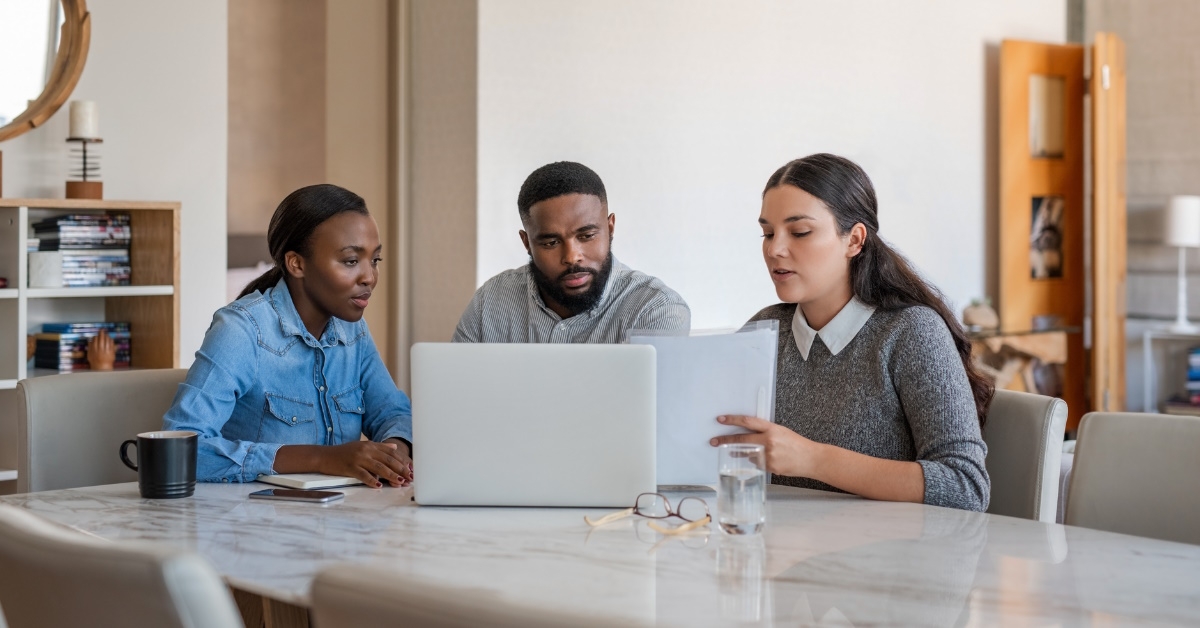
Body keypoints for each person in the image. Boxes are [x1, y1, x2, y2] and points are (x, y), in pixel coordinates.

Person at [712, 154, 991, 511]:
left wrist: (813, 459)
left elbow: (965, 488)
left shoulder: (911, 333)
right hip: (782, 552)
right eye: (767, 233)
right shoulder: (763, 331)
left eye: (799, 232)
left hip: (888, 560)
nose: (774, 249)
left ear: (854, 240)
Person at [163, 184, 413, 488]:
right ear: (297, 263)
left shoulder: (353, 331)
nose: (369, 277)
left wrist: (394, 452)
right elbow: (180, 449)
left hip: (342, 522)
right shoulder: (241, 331)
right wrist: (322, 459)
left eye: (374, 260)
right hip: (249, 525)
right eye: (350, 261)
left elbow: (393, 413)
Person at [452, 161, 690, 343]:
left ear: (610, 228)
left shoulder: (656, 309)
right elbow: (454, 392)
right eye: (550, 242)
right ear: (526, 243)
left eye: (586, 236)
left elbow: (660, 406)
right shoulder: (491, 302)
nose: (572, 257)